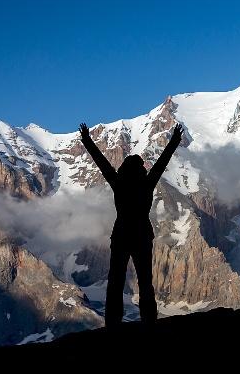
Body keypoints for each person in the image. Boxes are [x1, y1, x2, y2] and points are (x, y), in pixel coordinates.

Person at [78, 122, 183, 326]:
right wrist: (175, 140)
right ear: (140, 170)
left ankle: (113, 322)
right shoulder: (147, 183)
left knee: (115, 280)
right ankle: (149, 320)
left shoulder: (119, 183)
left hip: (121, 236)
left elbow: (102, 163)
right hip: (143, 236)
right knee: (145, 281)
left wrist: (87, 139)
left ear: (125, 169)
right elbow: (162, 162)